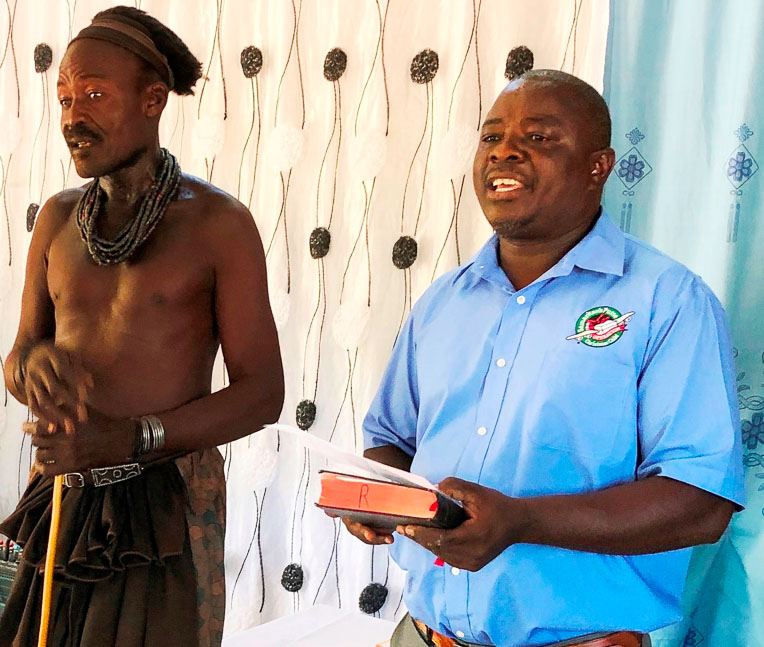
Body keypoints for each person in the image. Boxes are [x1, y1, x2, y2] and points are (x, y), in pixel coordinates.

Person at [338, 70, 744, 647]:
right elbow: (391, 442)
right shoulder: (442, 303)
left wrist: (521, 522)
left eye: (540, 137)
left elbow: (700, 503)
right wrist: (379, 500)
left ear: (598, 167)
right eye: (492, 136)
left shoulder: (667, 300)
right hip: (423, 634)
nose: (505, 151)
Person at [0, 7, 283, 647]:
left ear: (153, 99)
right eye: (64, 97)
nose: (73, 117)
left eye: (95, 94)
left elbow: (263, 394)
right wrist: (30, 370)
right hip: (63, 494)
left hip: (167, 503)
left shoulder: (219, 225)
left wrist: (131, 439)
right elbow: (19, 357)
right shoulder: (56, 217)